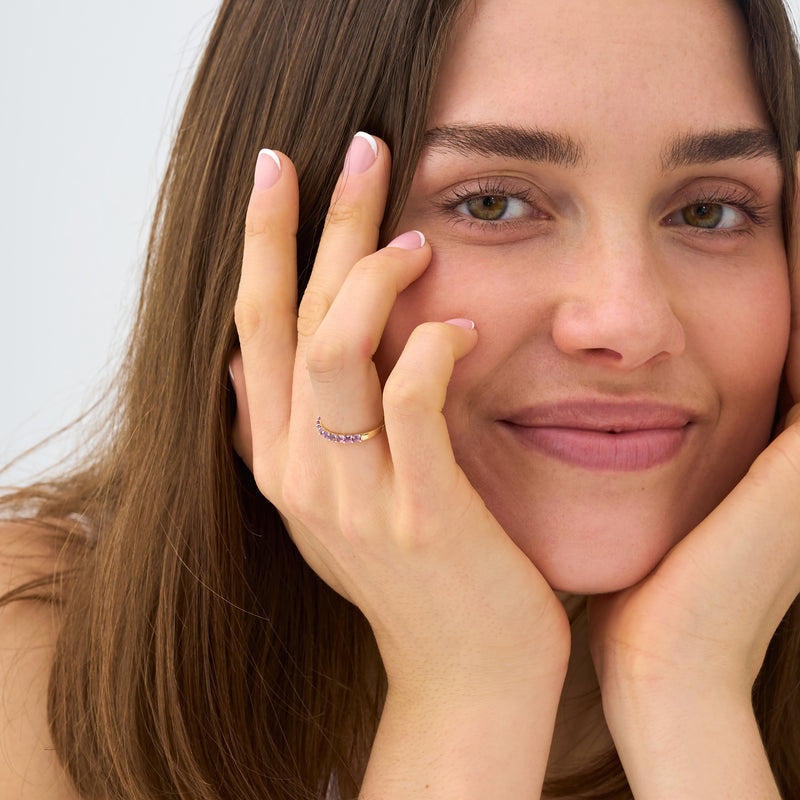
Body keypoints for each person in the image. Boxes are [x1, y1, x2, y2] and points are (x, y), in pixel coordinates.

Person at [2, 0, 800, 797]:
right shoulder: (32, 658)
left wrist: (683, 687)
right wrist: (471, 683)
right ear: (295, 250)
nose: (629, 322)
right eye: (492, 203)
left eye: (710, 211)